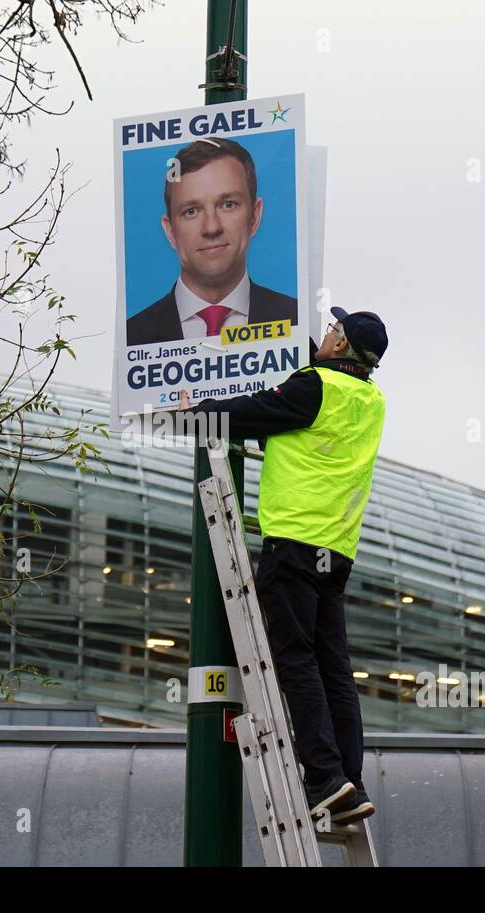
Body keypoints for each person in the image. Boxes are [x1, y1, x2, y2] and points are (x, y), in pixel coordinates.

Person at [179, 307, 388, 824]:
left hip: (294, 541)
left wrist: (195, 409)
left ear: (339, 345)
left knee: (295, 659)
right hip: (336, 551)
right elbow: (298, 433)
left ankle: (322, 776)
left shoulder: (313, 386)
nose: (327, 333)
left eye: (333, 331)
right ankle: (349, 780)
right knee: (333, 668)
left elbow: (256, 411)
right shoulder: (371, 401)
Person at [126, 136, 298, 347]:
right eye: (191, 211)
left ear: (254, 216)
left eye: (227, 204)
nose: (211, 227)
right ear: (170, 230)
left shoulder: (296, 321)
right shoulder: (132, 337)